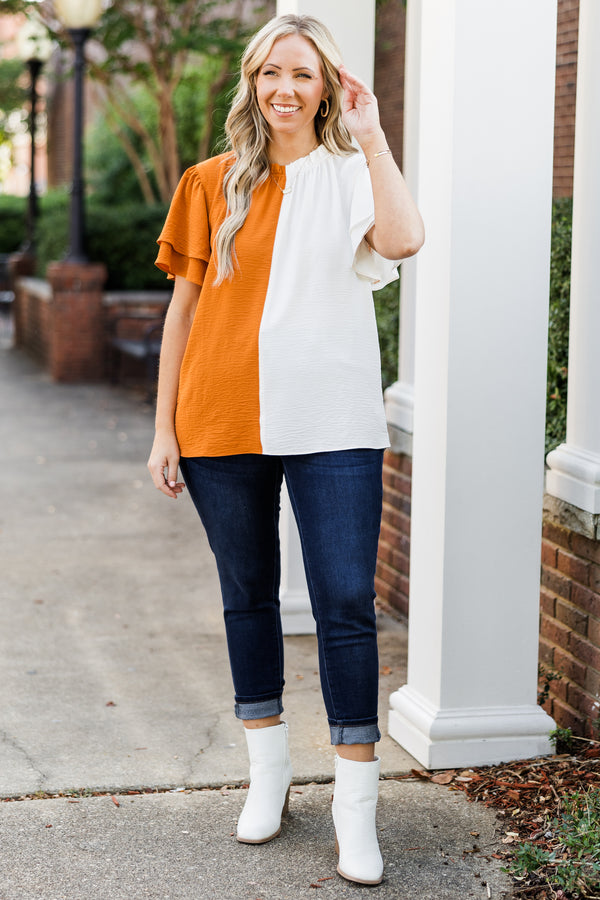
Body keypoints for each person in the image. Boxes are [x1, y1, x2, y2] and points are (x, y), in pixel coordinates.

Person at [148, 13, 424, 886]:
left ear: (328, 85)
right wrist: (164, 427)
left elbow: (405, 240)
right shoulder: (208, 182)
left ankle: (355, 807)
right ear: (251, 83)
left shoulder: (351, 175)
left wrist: (375, 136)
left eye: (301, 74)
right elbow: (182, 314)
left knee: (345, 601)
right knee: (248, 597)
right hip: (219, 421)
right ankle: (268, 776)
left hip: (333, 423)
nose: (283, 89)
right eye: (270, 73)